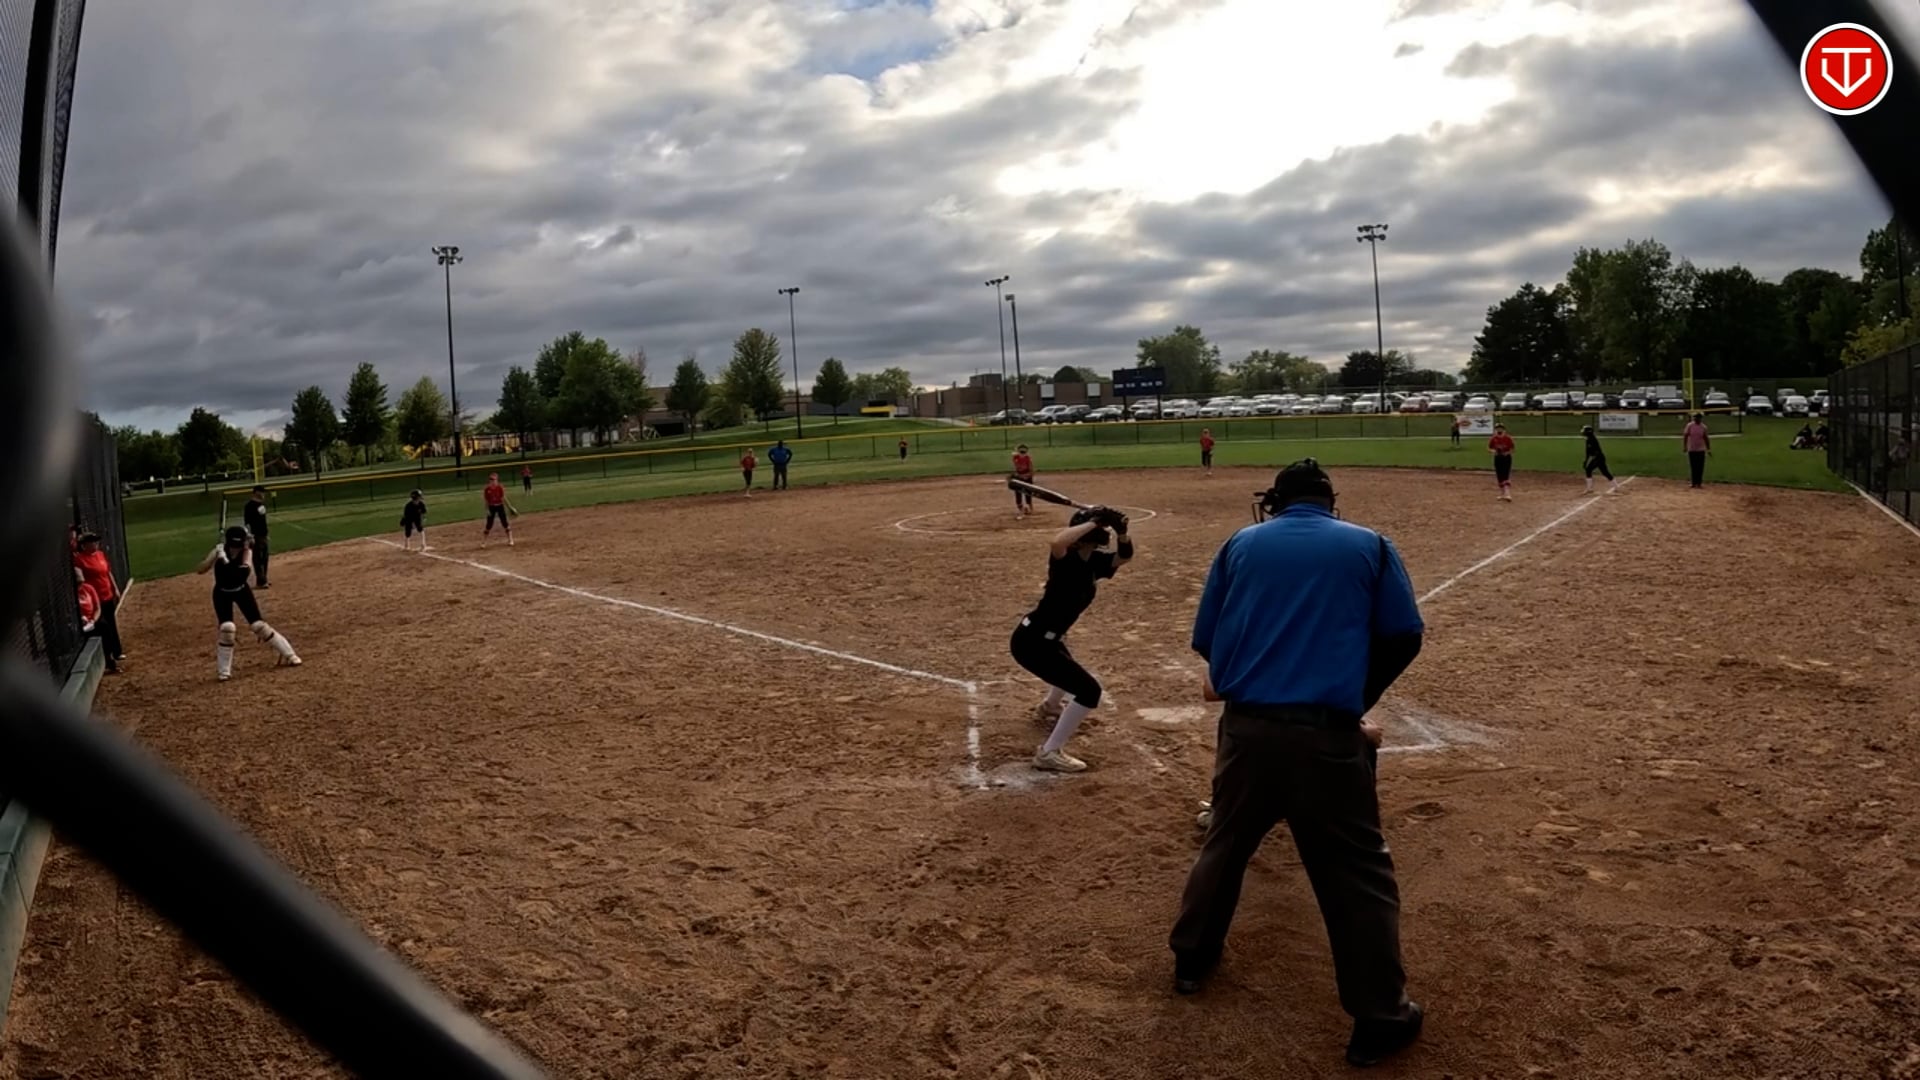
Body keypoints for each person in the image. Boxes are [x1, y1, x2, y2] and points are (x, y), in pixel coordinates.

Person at [1170, 459, 1425, 1068]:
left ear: (1277, 502)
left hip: (1246, 731)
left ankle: (1191, 959)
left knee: (1225, 842)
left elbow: (1206, 640)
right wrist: (1354, 699)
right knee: (1356, 872)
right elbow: (1404, 634)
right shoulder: (1371, 544)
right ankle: (1379, 1018)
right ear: (1330, 501)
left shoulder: (1240, 543)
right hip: (1327, 737)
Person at [1009, 505, 1134, 772]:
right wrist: (1096, 521)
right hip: (1032, 643)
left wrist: (1122, 532)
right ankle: (1049, 753)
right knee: (1089, 691)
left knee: (1067, 666)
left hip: (1047, 640)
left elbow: (1124, 557)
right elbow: (1057, 541)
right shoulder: (1064, 560)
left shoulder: (1094, 562)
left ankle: (1049, 706)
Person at [195, 525, 301, 682]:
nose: (238, 547)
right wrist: (214, 556)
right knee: (227, 628)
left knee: (259, 626)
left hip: (241, 589)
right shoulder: (220, 550)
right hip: (222, 592)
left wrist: (225, 560)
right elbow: (200, 570)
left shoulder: (246, 553)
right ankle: (224, 671)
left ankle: (289, 654)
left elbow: (241, 574)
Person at [72, 529, 124, 674]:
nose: (95, 544)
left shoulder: (100, 555)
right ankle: (109, 656)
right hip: (94, 598)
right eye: (92, 542)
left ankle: (117, 651)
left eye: (96, 542)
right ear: (84, 545)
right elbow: (80, 579)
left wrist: (115, 588)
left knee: (111, 623)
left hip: (107, 594)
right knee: (103, 626)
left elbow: (108, 572)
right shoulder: (80, 559)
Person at [243, 485, 272, 588]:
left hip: (263, 535)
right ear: (256, 493)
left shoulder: (261, 505)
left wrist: (266, 534)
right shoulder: (249, 506)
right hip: (255, 536)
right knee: (258, 559)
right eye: (262, 492)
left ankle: (264, 579)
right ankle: (261, 581)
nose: (264, 494)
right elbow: (247, 523)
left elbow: (263, 522)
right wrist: (250, 536)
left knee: (265, 558)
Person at [1581, 425, 1619, 495]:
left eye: (1585, 431)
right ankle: (1616, 487)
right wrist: (1586, 461)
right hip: (1598, 458)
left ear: (1588, 432)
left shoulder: (1592, 439)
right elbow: (1588, 452)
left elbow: (1593, 452)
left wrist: (1590, 460)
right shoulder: (1588, 439)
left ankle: (1589, 489)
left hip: (1598, 457)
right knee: (1604, 472)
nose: (1583, 432)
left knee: (1589, 470)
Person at [482, 472, 515, 546]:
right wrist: (487, 510)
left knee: (505, 523)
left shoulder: (500, 487)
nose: (492, 481)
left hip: (500, 506)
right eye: (491, 479)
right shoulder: (487, 489)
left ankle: (510, 539)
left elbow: (503, 498)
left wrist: (510, 507)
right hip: (491, 507)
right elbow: (486, 501)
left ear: (497, 480)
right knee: (489, 524)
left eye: (494, 479)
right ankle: (484, 542)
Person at [1682, 413, 1711, 488]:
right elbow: (1685, 436)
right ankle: (1693, 482)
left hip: (1701, 449)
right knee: (1693, 466)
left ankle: (1699, 482)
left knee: (1700, 467)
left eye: (1698, 418)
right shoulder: (1689, 426)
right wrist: (1685, 446)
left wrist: (1708, 449)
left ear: (1700, 419)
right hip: (1692, 449)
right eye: (1695, 417)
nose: (1696, 419)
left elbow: (1706, 438)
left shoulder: (1703, 427)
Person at [1488, 423, 1515, 501]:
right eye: (1497, 428)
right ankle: (1502, 494)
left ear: (1503, 429)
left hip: (1506, 458)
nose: (1499, 430)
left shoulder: (1508, 438)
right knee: (1499, 475)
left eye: (1500, 428)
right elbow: (1489, 448)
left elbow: (1512, 449)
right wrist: (1493, 451)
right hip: (1497, 458)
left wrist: (1507, 453)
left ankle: (1507, 494)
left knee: (1505, 474)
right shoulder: (1493, 438)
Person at [1011, 444, 1036, 518]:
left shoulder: (1028, 459)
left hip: (1027, 476)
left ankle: (1029, 507)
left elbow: (1031, 471)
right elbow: (1015, 468)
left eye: (1023, 452)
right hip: (1019, 476)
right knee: (1018, 492)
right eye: (1021, 452)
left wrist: (1026, 476)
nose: (1022, 454)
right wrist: (1018, 475)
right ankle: (1020, 508)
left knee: (1028, 492)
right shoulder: (1016, 458)